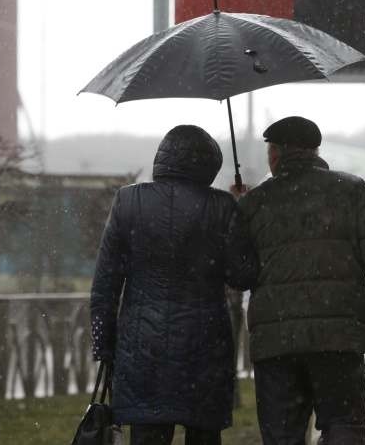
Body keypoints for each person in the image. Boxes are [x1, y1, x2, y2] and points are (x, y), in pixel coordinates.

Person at [235, 116, 365, 445]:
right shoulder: (352, 191)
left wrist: (238, 214)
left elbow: (238, 273)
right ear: (314, 151)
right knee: (343, 425)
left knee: (282, 434)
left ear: (275, 154)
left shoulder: (254, 204)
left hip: (276, 344)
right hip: (339, 340)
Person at [90, 125, 256, 445]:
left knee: (148, 434)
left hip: (142, 352)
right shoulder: (222, 206)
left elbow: (104, 288)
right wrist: (240, 213)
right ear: (208, 165)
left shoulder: (128, 202)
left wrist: (106, 349)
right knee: (203, 434)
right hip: (205, 349)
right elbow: (244, 275)